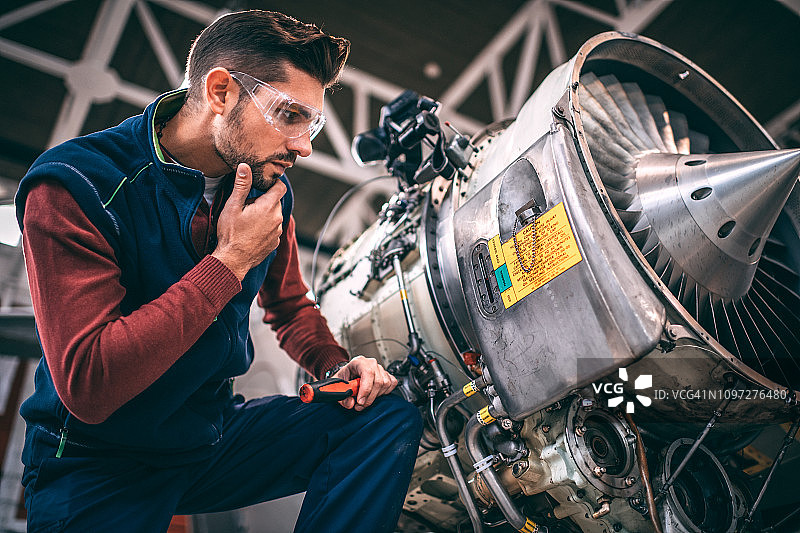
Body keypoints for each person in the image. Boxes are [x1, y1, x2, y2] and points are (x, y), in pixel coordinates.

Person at [15, 9, 422, 533]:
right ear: (221, 91)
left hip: (205, 438)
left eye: (312, 123)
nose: (305, 146)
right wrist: (227, 264)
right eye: (290, 115)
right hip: (95, 460)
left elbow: (291, 305)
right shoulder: (76, 185)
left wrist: (333, 367)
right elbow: (89, 384)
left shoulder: (268, 191)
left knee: (384, 418)